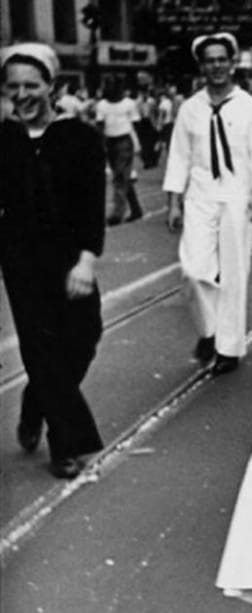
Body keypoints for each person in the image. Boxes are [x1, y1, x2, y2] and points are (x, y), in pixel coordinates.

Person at [0, 43, 106, 479]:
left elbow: (92, 205)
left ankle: (35, 402)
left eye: (32, 85)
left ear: (52, 87)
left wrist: (86, 261)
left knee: (83, 337)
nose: (22, 94)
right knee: (41, 348)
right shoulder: (3, 139)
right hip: (20, 260)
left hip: (69, 258)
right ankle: (66, 445)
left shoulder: (79, 138)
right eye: (13, 87)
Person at [163, 32, 252, 376]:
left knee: (234, 272)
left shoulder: (250, 107)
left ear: (232, 63)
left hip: (238, 197)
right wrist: (174, 202)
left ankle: (229, 347)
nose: (216, 66)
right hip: (200, 196)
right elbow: (179, 156)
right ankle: (209, 332)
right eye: (209, 60)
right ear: (202, 66)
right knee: (193, 270)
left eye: (222, 59)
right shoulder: (190, 109)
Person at [96, 78, 144, 224]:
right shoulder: (102, 105)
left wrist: (138, 145)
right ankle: (136, 209)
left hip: (124, 141)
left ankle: (117, 213)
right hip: (110, 141)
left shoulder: (129, 103)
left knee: (119, 178)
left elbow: (136, 124)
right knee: (123, 177)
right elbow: (100, 125)